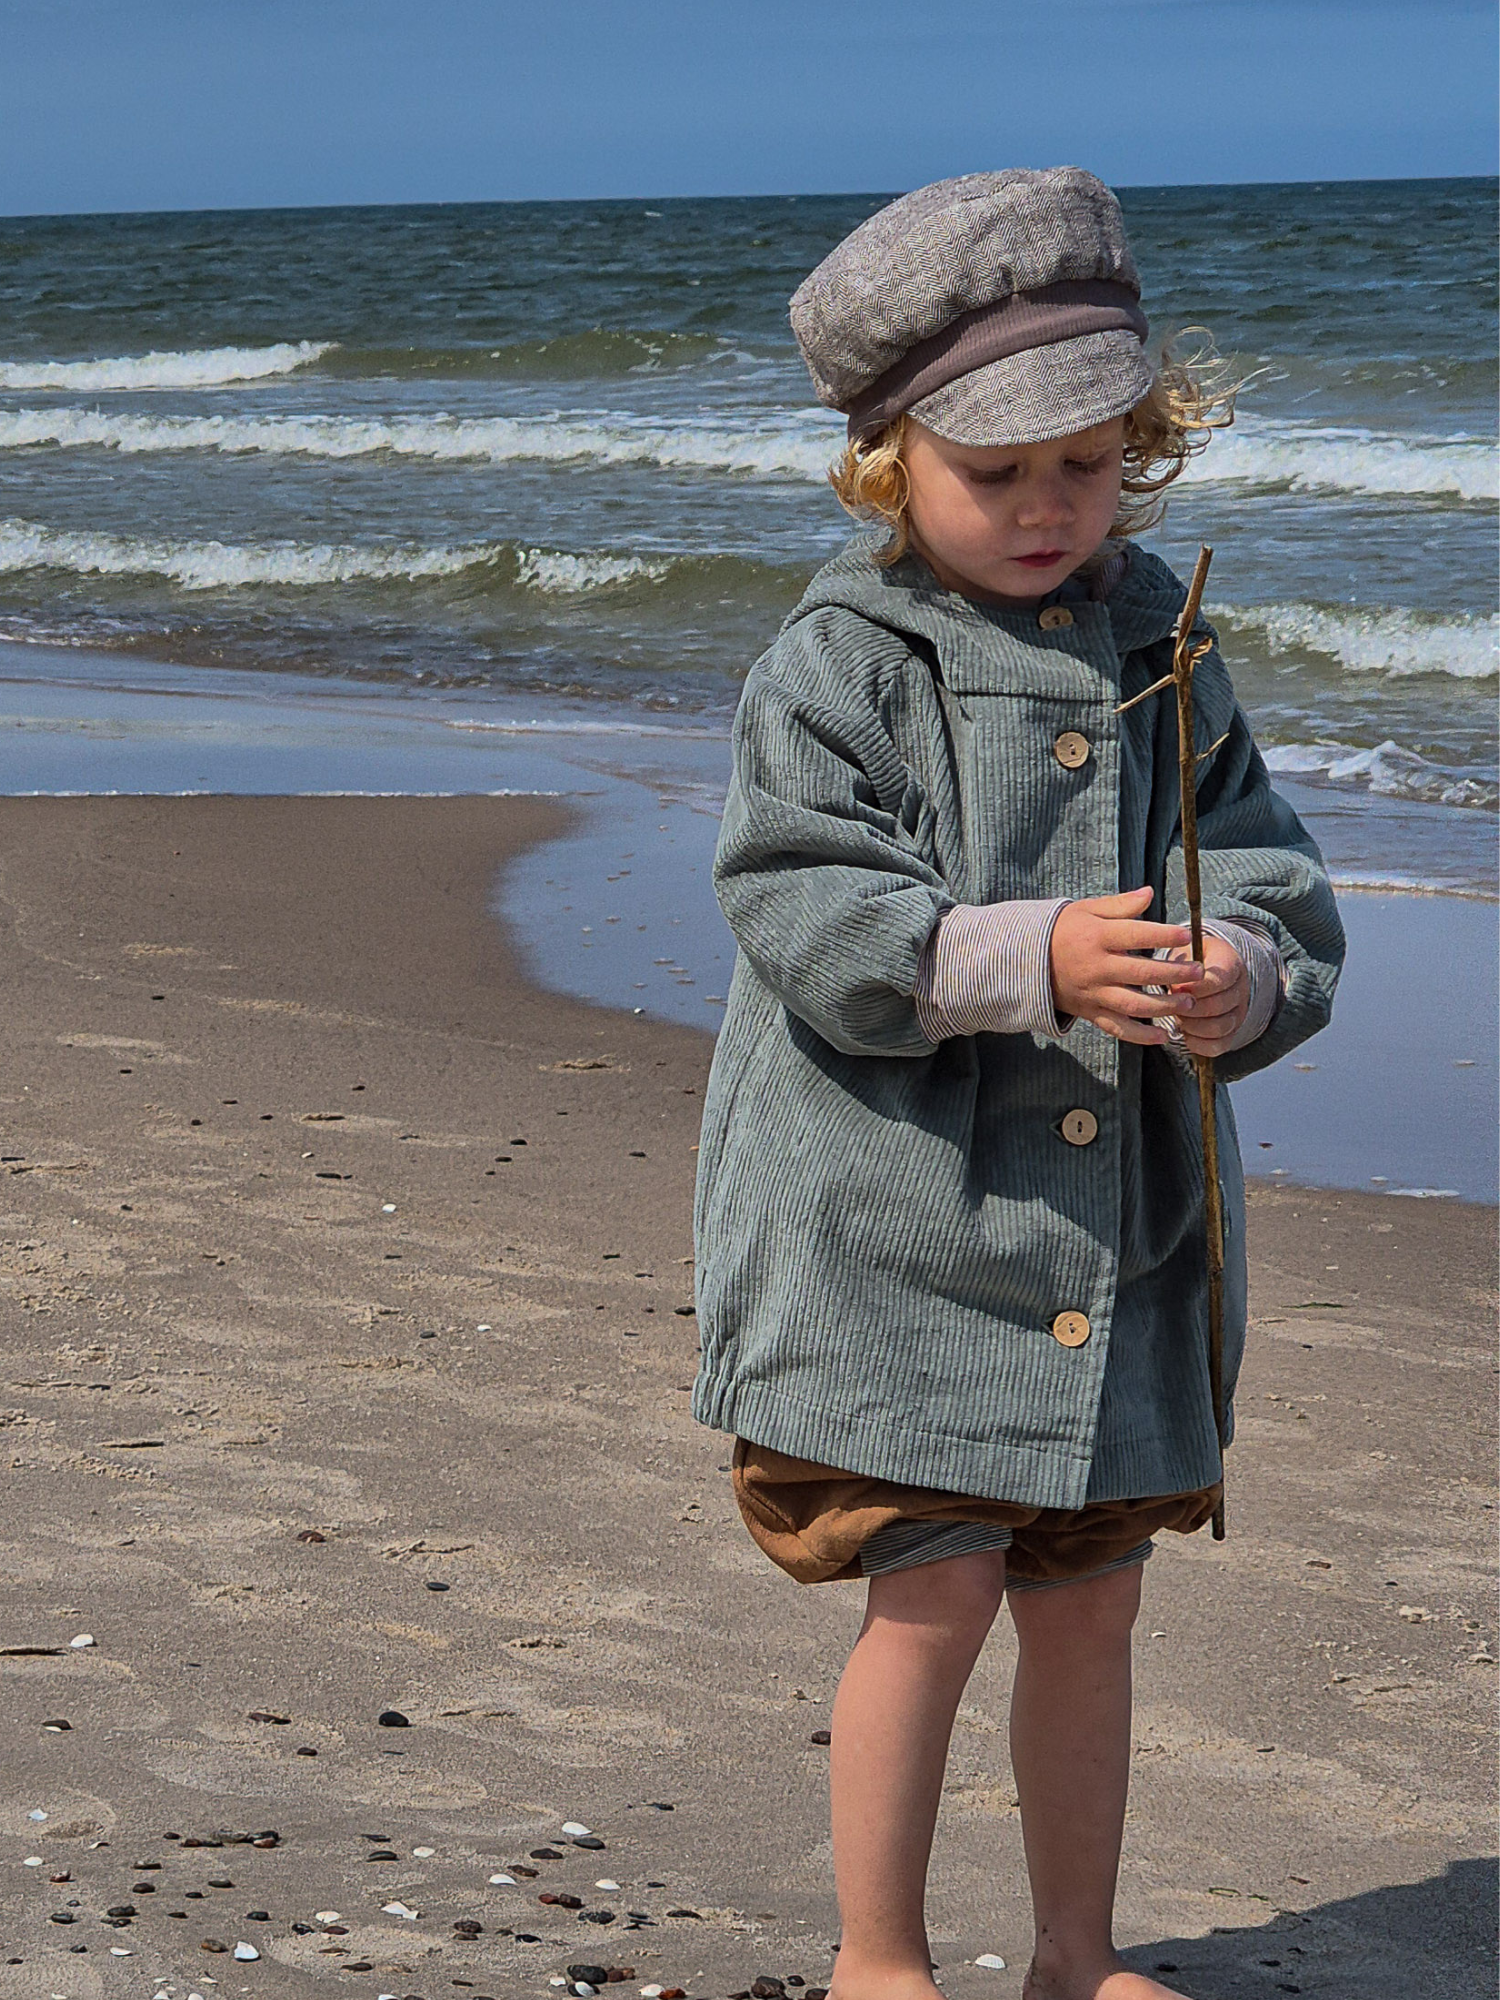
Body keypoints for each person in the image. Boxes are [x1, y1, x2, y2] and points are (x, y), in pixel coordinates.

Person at [691, 169, 1344, 2000]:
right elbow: (799, 901)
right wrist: (1022, 954)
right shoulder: (842, 661)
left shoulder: (1169, 646)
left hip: (1114, 1238)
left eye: (1096, 459)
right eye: (1002, 471)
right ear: (891, 464)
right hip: (900, 1219)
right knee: (939, 1591)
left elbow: (1269, 866)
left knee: (1093, 1600)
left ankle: (1076, 1955)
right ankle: (877, 1959)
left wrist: (1248, 973)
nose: (1055, 505)